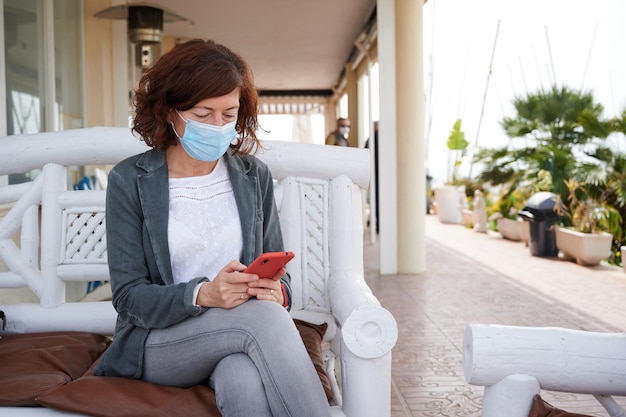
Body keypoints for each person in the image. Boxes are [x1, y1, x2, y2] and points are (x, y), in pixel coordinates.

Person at [94, 39, 331, 417]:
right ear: (170, 111)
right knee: (262, 321)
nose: (218, 126)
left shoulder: (254, 176)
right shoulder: (130, 180)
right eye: (203, 114)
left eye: (228, 114)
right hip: (159, 342)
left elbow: (280, 278)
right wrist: (203, 294)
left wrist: (275, 293)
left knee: (244, 384)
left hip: (242, 332)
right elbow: (129, 298)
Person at [365, 121, 379, 233]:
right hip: (378, 175)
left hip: (373, 174)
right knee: (377, 200)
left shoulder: (371, 139)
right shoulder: (378, 138)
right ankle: (377, 222)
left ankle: (374, 221)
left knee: (374, 200)